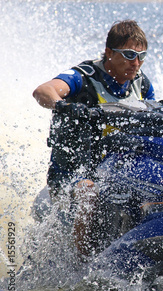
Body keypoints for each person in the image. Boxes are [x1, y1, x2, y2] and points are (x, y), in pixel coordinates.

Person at [33, 20, 155, 256]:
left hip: (117, 174)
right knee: (89, 192)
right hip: (73, 175)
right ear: (109, 52)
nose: (136, 63)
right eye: (129, 55)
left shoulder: (141, 83)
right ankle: (84, 265)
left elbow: (155, 116)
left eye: (141, 56)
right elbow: (42, 92)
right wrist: (63, 106)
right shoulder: (83, 77)